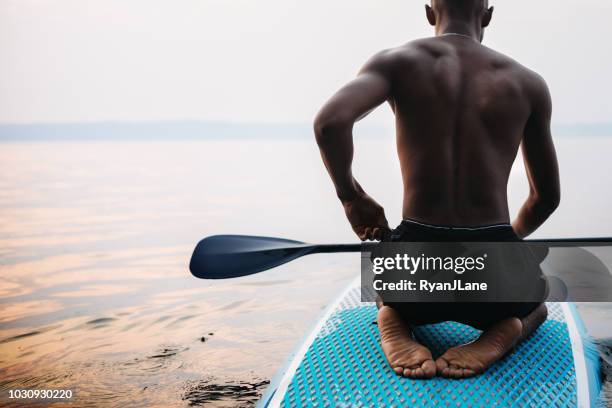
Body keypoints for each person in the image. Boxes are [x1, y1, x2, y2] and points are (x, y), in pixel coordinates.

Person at [314, 0, 560, 379]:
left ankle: (392, 315)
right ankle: (504, 331)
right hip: (493, 280)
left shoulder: (396, 62)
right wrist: (507, 245)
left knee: (384, 281)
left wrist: (352, 198)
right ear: (488, 16)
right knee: (538, 302)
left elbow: (330, 123)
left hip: (416, 273)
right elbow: (546, 198)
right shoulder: (527, 83)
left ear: (429, 12)